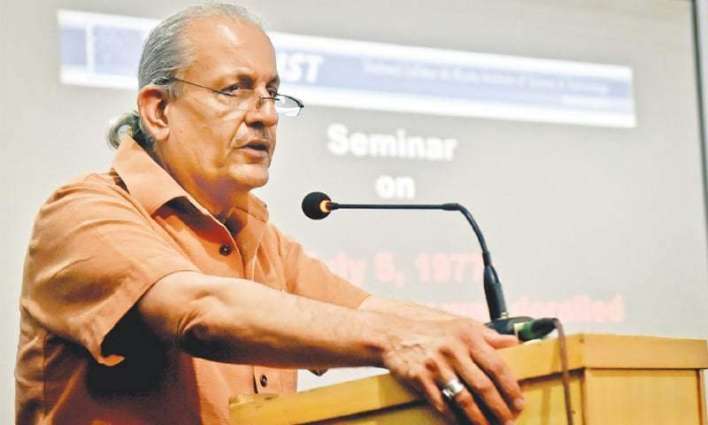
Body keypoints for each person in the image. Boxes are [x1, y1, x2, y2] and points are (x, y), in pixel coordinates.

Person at [15, 4, 524, 425]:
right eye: (234, 89)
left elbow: (371, 312)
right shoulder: (84, 213)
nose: (266, 114)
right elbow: (201, 313)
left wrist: (493, 346)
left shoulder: (261, 238)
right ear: (159, 110)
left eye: (272, 93)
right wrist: (394, 341)